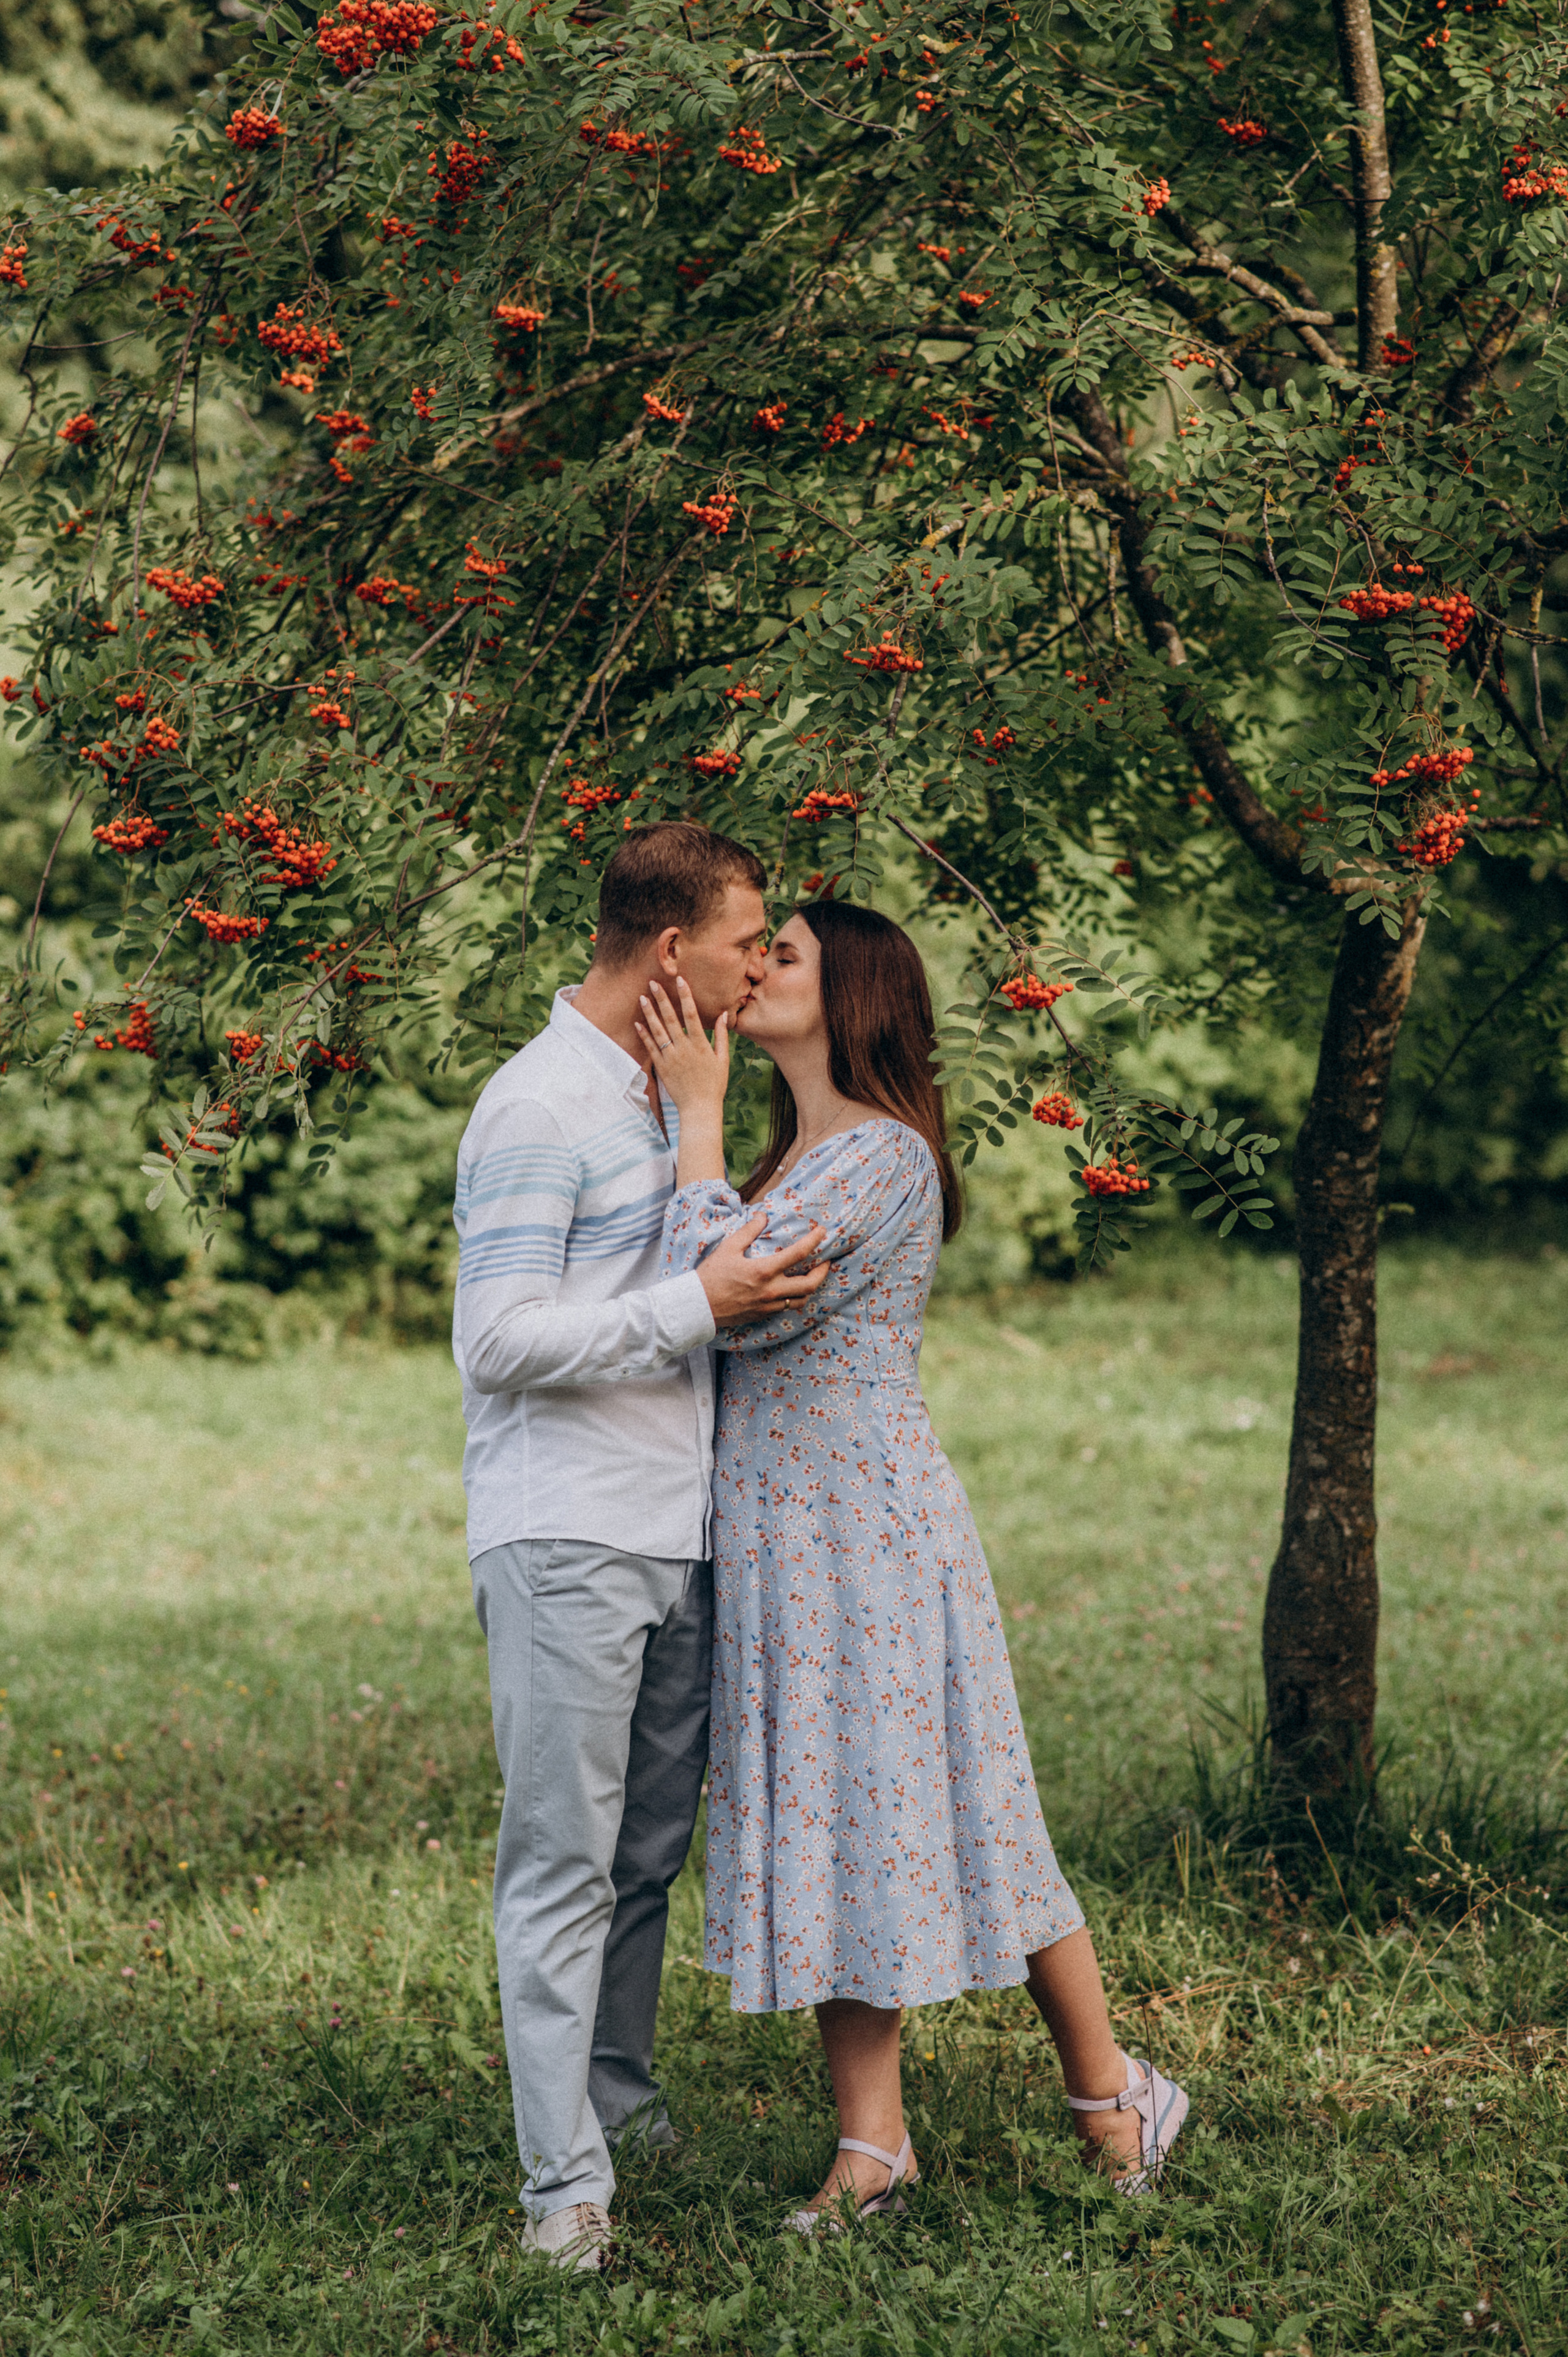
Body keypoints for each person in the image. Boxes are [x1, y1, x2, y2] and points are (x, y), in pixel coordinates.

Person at [637, 897, 1189, 2226]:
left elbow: (716, 1307)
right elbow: (693, 1289)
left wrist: (693, 1121)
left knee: (973, 1805)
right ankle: (871, 2145)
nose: (756, 967)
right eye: (756, 948)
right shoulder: (795, 1157)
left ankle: (1114, 2090)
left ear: (858, 993)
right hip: (780, 1537)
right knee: (825, 1820)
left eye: (786, 955)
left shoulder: (878, 1157)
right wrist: (709, 1138)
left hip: (867, 1539)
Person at [451, 822, 831, 2272]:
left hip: (675, 1532)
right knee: (562, 1862)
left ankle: (613, 2094)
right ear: (675, 949)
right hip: (567, 1534)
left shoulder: (678, 1094)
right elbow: (493, 1342)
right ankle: (564, 2192)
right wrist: (696, 1308)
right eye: (750, 942)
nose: (761, 967)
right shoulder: (539, 1107)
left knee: (644, 1853)